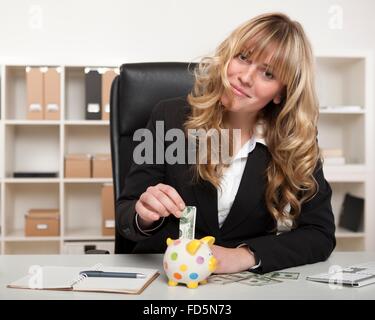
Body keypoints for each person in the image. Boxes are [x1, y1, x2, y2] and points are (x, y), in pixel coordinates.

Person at [116, 12, 336, 274]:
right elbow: (126, 212)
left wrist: (245, 256)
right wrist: (144, 215)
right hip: (167, 275)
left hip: (241, 283)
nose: (245, 77)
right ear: (228, 56)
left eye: (268, 73)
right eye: (243, 57)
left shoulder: (295, 141)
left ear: (281, 92)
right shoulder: (169, 117)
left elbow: (320, 233)